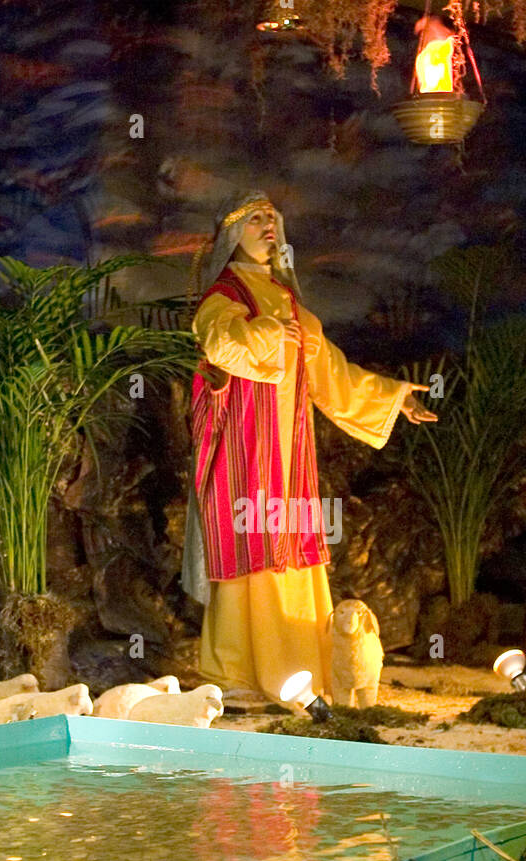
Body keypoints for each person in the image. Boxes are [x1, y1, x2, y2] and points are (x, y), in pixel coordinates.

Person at [183, 192, 436, 705]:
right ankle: (239, 673)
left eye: (272, 217)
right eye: (254, 219)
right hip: (246, 450)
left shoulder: (288, 301)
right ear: (231, 235)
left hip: (292, 455)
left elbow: (331, 372)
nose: (267, 225)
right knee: (253, 543)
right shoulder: (224, 296)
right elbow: (220, 345)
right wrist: (267, 331)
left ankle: (304, 668)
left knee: (292, 545)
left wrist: (392, 396)